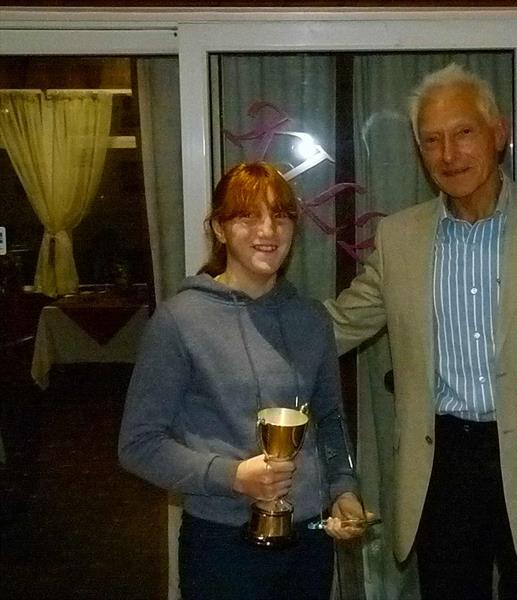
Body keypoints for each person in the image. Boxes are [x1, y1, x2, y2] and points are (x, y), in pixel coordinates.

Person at [325, 64, 517, 599]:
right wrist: (245, 316)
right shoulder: (400, 239)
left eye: (463, 133)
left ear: (498, 133)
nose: (448, 154)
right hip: (442, 470)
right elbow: (339, 326)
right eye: (431, 140)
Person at [119, 162, 367, 600]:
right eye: (247, 216)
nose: (267, 230)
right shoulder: (179, 322)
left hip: (309, 537)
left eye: (281, 216)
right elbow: (138, 446)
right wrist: (232, 476)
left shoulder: (311, 320)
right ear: (218, 227)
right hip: (222, 542)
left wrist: (343, 490)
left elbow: (329, 419)